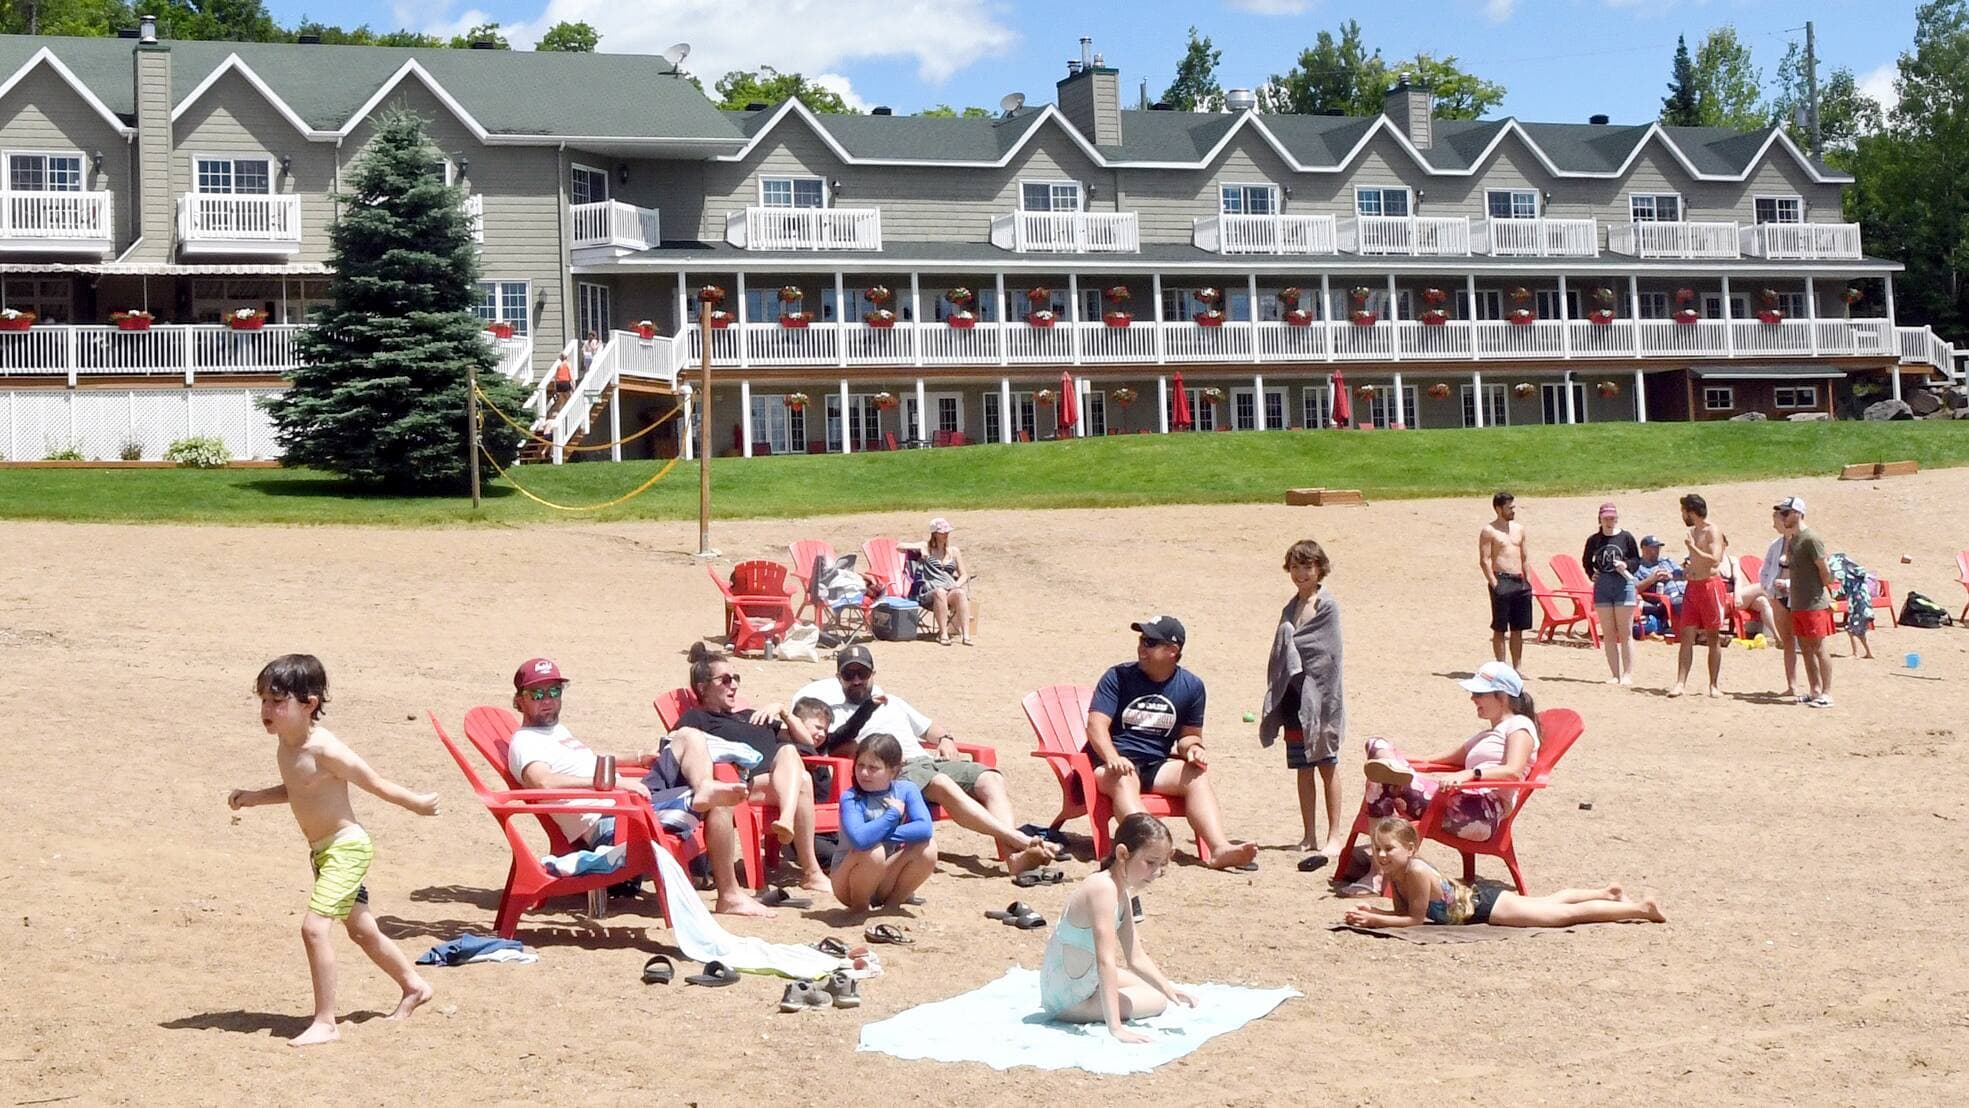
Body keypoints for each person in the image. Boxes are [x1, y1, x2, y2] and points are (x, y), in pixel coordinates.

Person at [227, 654, 437, 1047]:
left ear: (308, 704)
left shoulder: (325, 748)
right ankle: (415, 986)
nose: (267, 711)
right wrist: (254, 798)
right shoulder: (288, 747)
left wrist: (416, 803)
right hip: (322, 853)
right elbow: (297, 790)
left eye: (277, 702)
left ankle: (326, 1022)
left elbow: (374, 782)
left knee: (313, 929)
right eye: (263, 701)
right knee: (362, 931)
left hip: (346, 850)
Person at [503, 657, 768, 917]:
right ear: (519, 700)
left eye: (554, 691)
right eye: (537, 693)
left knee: (688, 736)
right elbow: (543, 782)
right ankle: (730, 897)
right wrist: (612, 783)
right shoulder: (525, 742)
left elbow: (589, 761)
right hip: (614, 821)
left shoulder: (555, 731)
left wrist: (638, 757)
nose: (548, 700)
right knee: (720, 803)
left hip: (626, 800)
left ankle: (703, 787)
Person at [793, 645, 1057, 876]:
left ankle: (1012, 856)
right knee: (940, 782)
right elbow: (839, 744)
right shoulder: (835, 714)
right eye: (849, 674)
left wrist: (945, 738)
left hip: (927, 760)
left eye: (863, 673)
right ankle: (1018, 840)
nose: (857, 680)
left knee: (990, 778)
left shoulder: (893, 701)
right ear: (839, 678)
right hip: (897, 772)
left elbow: (930, 727)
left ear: (874, 674)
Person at [1340, 661, 1540, 895]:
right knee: (1378, 748)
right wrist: (1395, 758)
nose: (1473, 699)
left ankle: (1377, 872)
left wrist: (1469, 774)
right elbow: (1436, 759)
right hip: (1456, 800)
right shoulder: (1486, 735)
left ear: (1502, 696)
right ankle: (1378, 865)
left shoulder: (1520, 726)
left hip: (1480, 813)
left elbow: (1513, 770)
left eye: (1479, 694)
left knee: (1381, 780)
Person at [1087, 617, 1260, 871]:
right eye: (1142, 640)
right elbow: (1096, 725)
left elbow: (1189, 736)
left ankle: (1219, 848)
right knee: (1125, 778)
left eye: (1151, 642)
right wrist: (1112, 756)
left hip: (1156, 764)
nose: (1142, 647)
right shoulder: (1118, 677)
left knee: (1196, 775)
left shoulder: (1191, 686)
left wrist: (1193, 750)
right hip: (1111, 764)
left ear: (1172, 651)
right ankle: (1151, 849)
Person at [673, 646, 828, 896]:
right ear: (702, 688)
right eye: (725, 680)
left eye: (736, 679)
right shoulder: (697, 719)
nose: (733, 685)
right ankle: (811, 871)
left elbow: (807, 742)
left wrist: (782, 711)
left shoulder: (750, 715)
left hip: (778, 783)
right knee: (799, 772)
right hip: (741, 786)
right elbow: (675, 746)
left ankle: (798, 843)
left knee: (795, 762)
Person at [1342, 817, 1665, 929]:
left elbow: (1414, 921)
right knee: (1550, 902)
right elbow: (1403, 912)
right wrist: (1377, 911)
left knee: (1564, 916)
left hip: (1487, 907)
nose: (1382, 856)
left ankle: (1640, 909)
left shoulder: (1414, 870)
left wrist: (1375, 919)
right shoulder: (1393, 870)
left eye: (1389, 849)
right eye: (1378, 849)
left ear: (1410, 848)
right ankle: (1606, 893)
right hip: (1480, 902)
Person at [1040, 813, 1195, 1042]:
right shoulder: (1103, 889)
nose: (1156, 872)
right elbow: (1106, 961)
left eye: (1161, 865)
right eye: (1150, 863)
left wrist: (1168, 987)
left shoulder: (1121, 892)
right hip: (1068, 1000)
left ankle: (1145, 995)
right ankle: (1105, 1013)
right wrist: (1116, 1028)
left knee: (1156, 991)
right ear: (1123, 854)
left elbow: (1136, 956)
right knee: (1156, 1001)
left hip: (1079, 981)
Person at [1258, 539, 1347, 872]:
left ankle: (1334, 834)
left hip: (1322, 700)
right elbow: (1283, 649)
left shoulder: (1327, 605)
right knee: (1302, 767)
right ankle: (1308, 834)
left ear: (1319, 568)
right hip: (1295, 698)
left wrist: (1293, 644)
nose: (1300, 573)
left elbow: (1327, 653)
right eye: (1295, 567)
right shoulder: (1290, 606)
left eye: (1307, 567)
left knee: (1327, 764)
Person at [833, 733, 937, 911]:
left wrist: (877, 834)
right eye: (860, 766)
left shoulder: (906, 790)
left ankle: (892, 905)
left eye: (873, 768)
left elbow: (925, 828)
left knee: (928, 847)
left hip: (886, 872)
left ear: (893, 771)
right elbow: (859, 840)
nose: (864, 773)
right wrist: (892, 815)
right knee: (873, 851)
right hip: (849, 878)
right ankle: (859, 908)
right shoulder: (852, 797)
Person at [1778, 496, 1837, 708]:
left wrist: (1825, 594)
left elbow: (1825, 571)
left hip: (1813, 603)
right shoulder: (1794, 540)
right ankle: (1815, 690)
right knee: (1804, 647)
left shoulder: (1811, 539)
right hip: (1799, 603)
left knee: (1819, 647)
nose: (1782, 517)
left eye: (1785, 513)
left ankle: (1827, 693)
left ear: (1798, 513)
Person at [1670, 493, 1729, 698]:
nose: (1682, 515)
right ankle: (1680, 683)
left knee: (1713, 636)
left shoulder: (1712, 531)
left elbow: (1715, 559)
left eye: (1684, 511)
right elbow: (1697, 559)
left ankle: (1713, 684)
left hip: (1709, 587)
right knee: (1686, 635)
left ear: (1691, 511)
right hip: (1692, 587)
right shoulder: (1692, 531)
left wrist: (1692, 548)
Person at [1583, 502, 1641, 685]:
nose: (1609, 521)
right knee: (1608, 633)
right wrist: (1592, 574)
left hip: (1623, 584)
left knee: (1625, 632)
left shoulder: (1626, 537)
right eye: (1606, 518)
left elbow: (1636, 560)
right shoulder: (1594, 540)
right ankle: (1614, 674)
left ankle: (1627, 674)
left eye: (1612, 518)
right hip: (1603, 587)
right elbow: (1586, 560)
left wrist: (1627, 565)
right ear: (1600, 519)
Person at [898, 517, 972, 646]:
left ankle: (966, 635)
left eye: (947, 532)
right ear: (934, 534)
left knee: (960, 593)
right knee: (940, 592)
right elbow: (899, 546)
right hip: (929, 592)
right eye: (942, 532)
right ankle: (943, 633)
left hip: (950, 589)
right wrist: (920, 550)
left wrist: (956, 585)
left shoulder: (954, 551)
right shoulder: (925, 546)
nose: (945, 534)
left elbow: (964, 575)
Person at [1478, 491, 1531, 671]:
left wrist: (1528, 582)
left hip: (1519, 580)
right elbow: (1484, 559)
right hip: (1501, 579)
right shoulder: (1489, 531)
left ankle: (1517, 667)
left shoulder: (1519, 529)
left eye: (1513, 506)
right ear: (1499, 509)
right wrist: (1494, 583)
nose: (1513, 510)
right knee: (1500, 627)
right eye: (1509, 507)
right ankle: (1501, 666)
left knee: (1518, 628)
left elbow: (1524, 557)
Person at [1632, 535, 1685, 635]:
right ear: (1644, 549)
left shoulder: (1666, 561)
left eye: (1658, 547)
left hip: (1686, 590)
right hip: (1670, 597)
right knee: (1683, 603)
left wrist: (1671, 575)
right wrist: (1652, 578)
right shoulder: (1639, 567)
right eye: (1653, 548)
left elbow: (1684, 575)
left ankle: (1704, 631)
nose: (1656, 550)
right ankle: (1699, 633)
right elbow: (1636, 588)